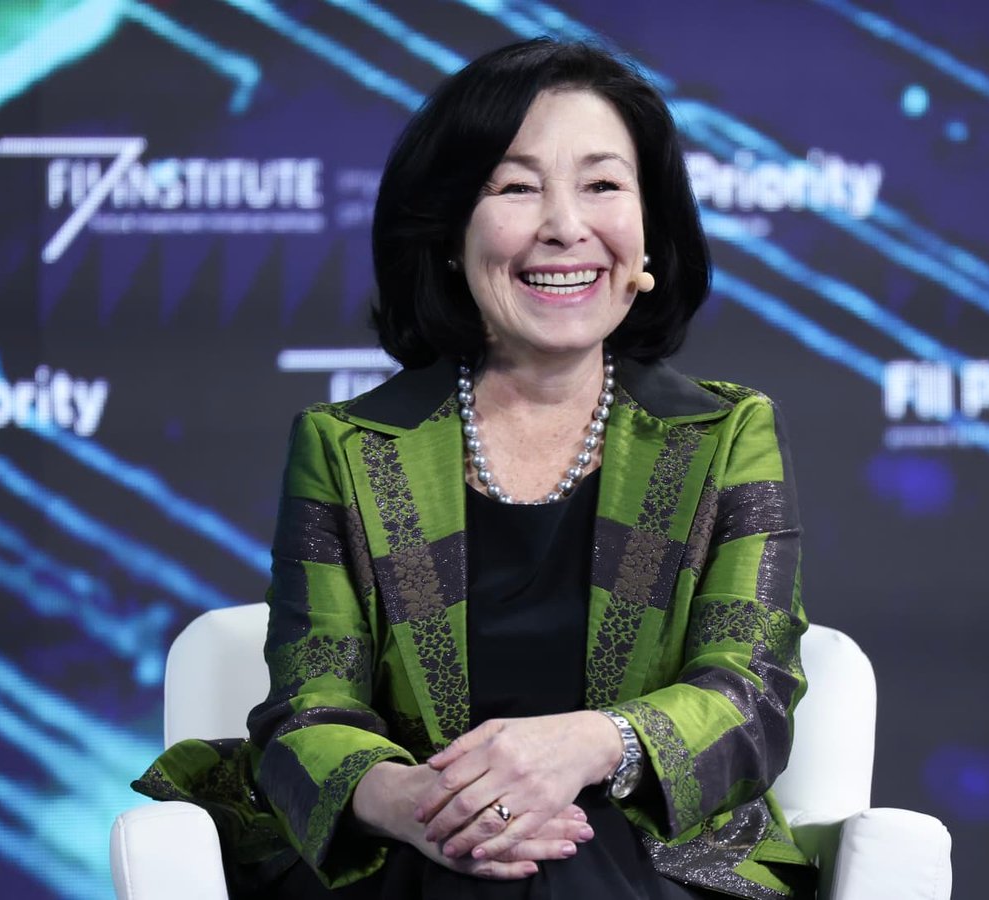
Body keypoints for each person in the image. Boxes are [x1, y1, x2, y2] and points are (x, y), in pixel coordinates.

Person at [134, 38, 813, 900]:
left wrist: (585, 745)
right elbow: (309, 708)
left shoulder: (724, 436)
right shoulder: (346, 446)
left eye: (603, 185)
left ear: (651, 232)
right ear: (452, 234)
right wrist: (413, 801)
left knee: (554, 866)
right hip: (412, 850)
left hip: (656, 853)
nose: (565, 225)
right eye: (517, 187)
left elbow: (750, 693)